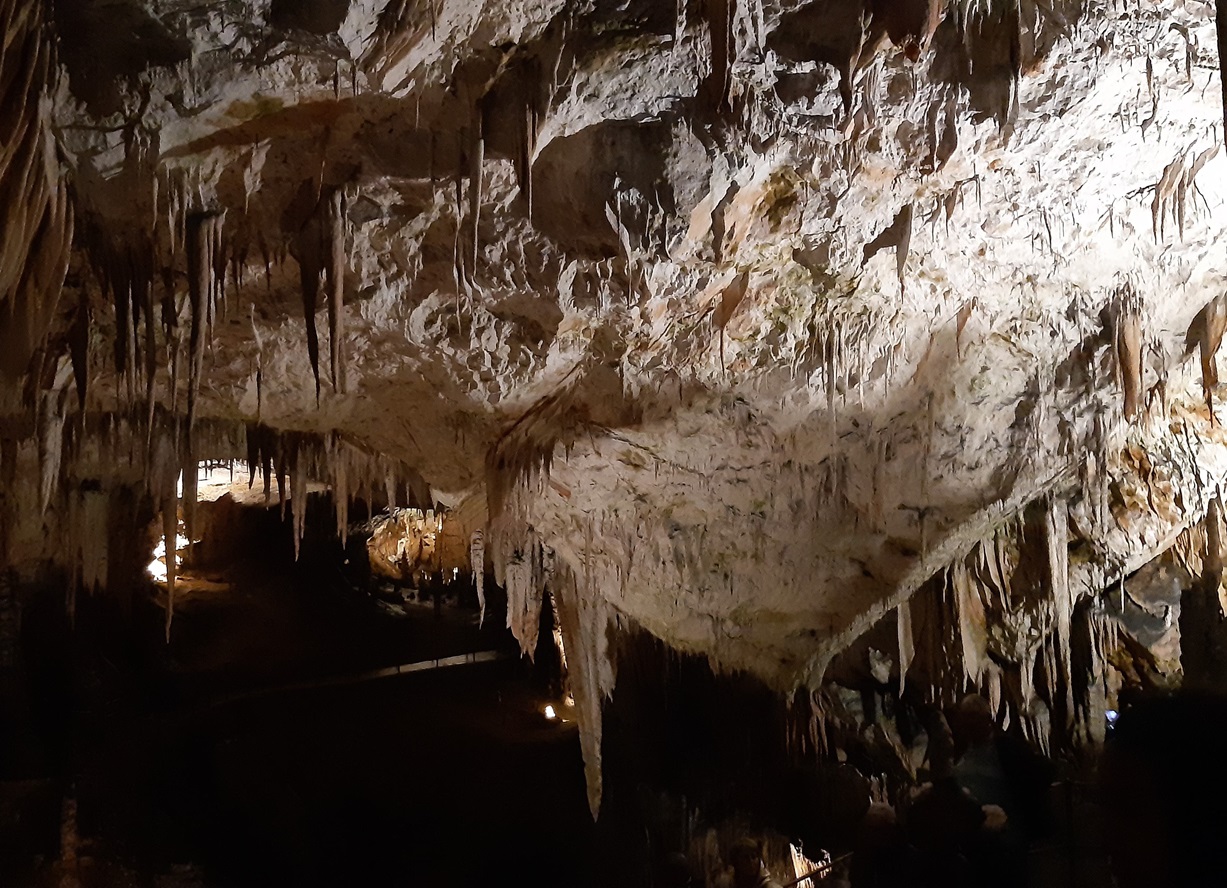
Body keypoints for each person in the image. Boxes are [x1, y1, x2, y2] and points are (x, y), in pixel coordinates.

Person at [717, 837, 784, 888]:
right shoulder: (726, 884)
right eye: (746, 858)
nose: (751, 862)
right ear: (736, 862)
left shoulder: (770, 886)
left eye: (754, 857)